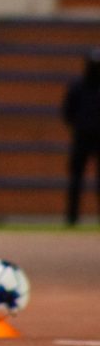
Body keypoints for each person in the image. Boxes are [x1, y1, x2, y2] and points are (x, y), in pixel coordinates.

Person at [61, 47, 100, 226]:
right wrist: (80, 125)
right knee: (76, 178)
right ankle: (72, 218)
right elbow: (67, 112)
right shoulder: (78, 87)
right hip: (81, 137)